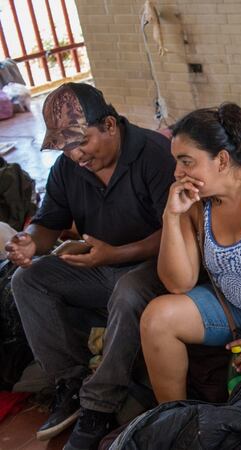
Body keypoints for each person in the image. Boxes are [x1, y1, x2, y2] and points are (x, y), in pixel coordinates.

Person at [5, 83, 175, 449]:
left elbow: (177, 232)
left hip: (154, 267)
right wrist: (32, 240)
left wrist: (115, 254)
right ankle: (70, 380)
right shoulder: (70, 167)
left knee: (128, 291)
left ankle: (98, 404)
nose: (75, 154)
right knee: (27, 279)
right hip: (101, 266)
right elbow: (49, 221)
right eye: (65, 148)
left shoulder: (155, 154)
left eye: (81, 142)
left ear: (110, 125)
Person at [139, 103, 241, 403]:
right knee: (158, 319)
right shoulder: (197, 201)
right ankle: (173, 420)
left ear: (221, 160)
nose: (178, 172)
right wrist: (171, 216)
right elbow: (179, 283)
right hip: (235, 312)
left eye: (186, 162)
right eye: (176, 162)